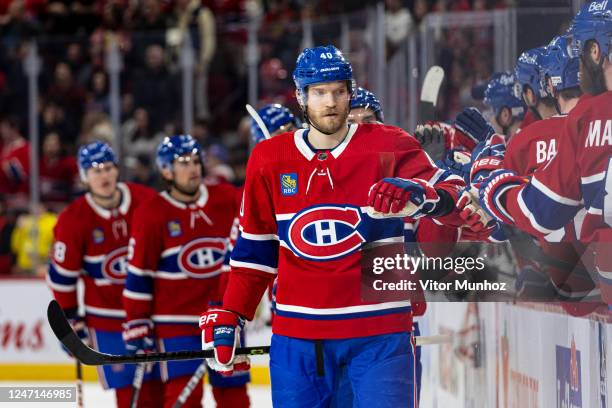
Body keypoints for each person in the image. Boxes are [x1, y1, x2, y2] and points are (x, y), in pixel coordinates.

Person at [199, 45, 465, 407]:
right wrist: (232, 313)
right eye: (320, 92)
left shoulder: (390, 145)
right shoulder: (268, 159)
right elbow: (255, 251)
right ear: (300, 96)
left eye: (339, 91)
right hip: (298, 342)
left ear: (350, 92)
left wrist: (421, 195)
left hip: (380, 335)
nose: (331, 102)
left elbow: (455, 194)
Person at [462, 1, 612, 306]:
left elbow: (539, 212)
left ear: (595, 52)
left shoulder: (588, 118)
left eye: (582, 52)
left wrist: (493, 185)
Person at [123, 135, 249, 408]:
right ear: (166, 170)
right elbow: (138, 275)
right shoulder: (152, 213)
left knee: (234, 397)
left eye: (196, 161)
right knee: (183, 397)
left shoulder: (227, 198)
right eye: (183, 163)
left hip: (224, 318)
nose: (193, 168)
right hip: (175, 323)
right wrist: (137, 321)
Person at [47, 141, 159, 407]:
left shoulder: (146, 200)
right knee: (127, 392)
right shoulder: (73, 219)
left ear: (117, 170)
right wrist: (71, 318)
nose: (104, 175)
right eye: (95, 170)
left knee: (160, 386)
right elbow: (63, 277)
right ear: (85, 177)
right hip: (108, 319)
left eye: (108, 168)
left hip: (152, 313)